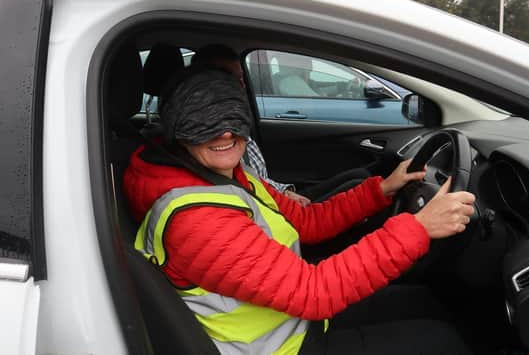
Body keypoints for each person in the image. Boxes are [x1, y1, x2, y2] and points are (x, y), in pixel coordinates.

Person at [124, 68, 475, 354]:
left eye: (234, 118)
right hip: (281, 347)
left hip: (290, 319)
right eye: (205, 126)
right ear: (177, 129)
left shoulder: (219, 176)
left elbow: (306, 223)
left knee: (423, 301)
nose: (226, 133)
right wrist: (417, 228)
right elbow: (314, 294)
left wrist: (381, 190)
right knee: (440, 341)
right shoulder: (197, 219)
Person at [190, 44, 370, 207]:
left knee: (360, 176)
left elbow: (256, 181)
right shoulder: (209, 139)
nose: (242, 86)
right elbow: (247, 194)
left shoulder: (234, 122)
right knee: (360, 188)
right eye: (231, 79)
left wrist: (284, 192)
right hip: (267, 207)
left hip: (272, 196)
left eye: (242, 79)